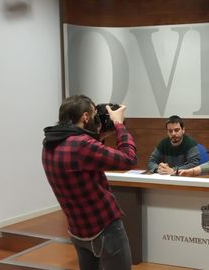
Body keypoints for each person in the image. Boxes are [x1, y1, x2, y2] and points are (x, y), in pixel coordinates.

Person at [42, 95, 137, 270]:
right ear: (86, 117)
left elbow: (83, 163)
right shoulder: (82, 145)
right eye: (94, 114)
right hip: (105, 229)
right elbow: (129, 159)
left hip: (78, 231)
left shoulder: (49, 144)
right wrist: (119, 125)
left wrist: (99, 135)